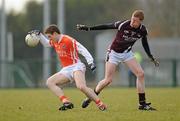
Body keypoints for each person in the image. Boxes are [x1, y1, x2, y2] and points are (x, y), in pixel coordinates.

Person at [77, 10, 159, 111]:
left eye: (135, 21)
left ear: (140, 22)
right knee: (108, 80)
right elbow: (107, 26)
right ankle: (91, 96)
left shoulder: (143, 30)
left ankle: (142, 104)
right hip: (114, 53)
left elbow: (145, 43)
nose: (132, 22)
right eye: (132, 19)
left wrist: (150, 56)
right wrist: (89, 28)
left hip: (127, 53)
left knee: (141, 74)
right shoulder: (123, 24)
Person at [29, 24, 107, 111]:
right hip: (66, 69)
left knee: (81, 86)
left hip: (76, 66)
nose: (49, 39)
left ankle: (100, 103)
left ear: (55, 33)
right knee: (49, 82)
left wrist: (91, 62)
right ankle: (66, 102)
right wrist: (39, 35)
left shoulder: (68, 40)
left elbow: (82, 49)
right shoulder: (54, 41)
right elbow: (47, 44)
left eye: (50, 36)